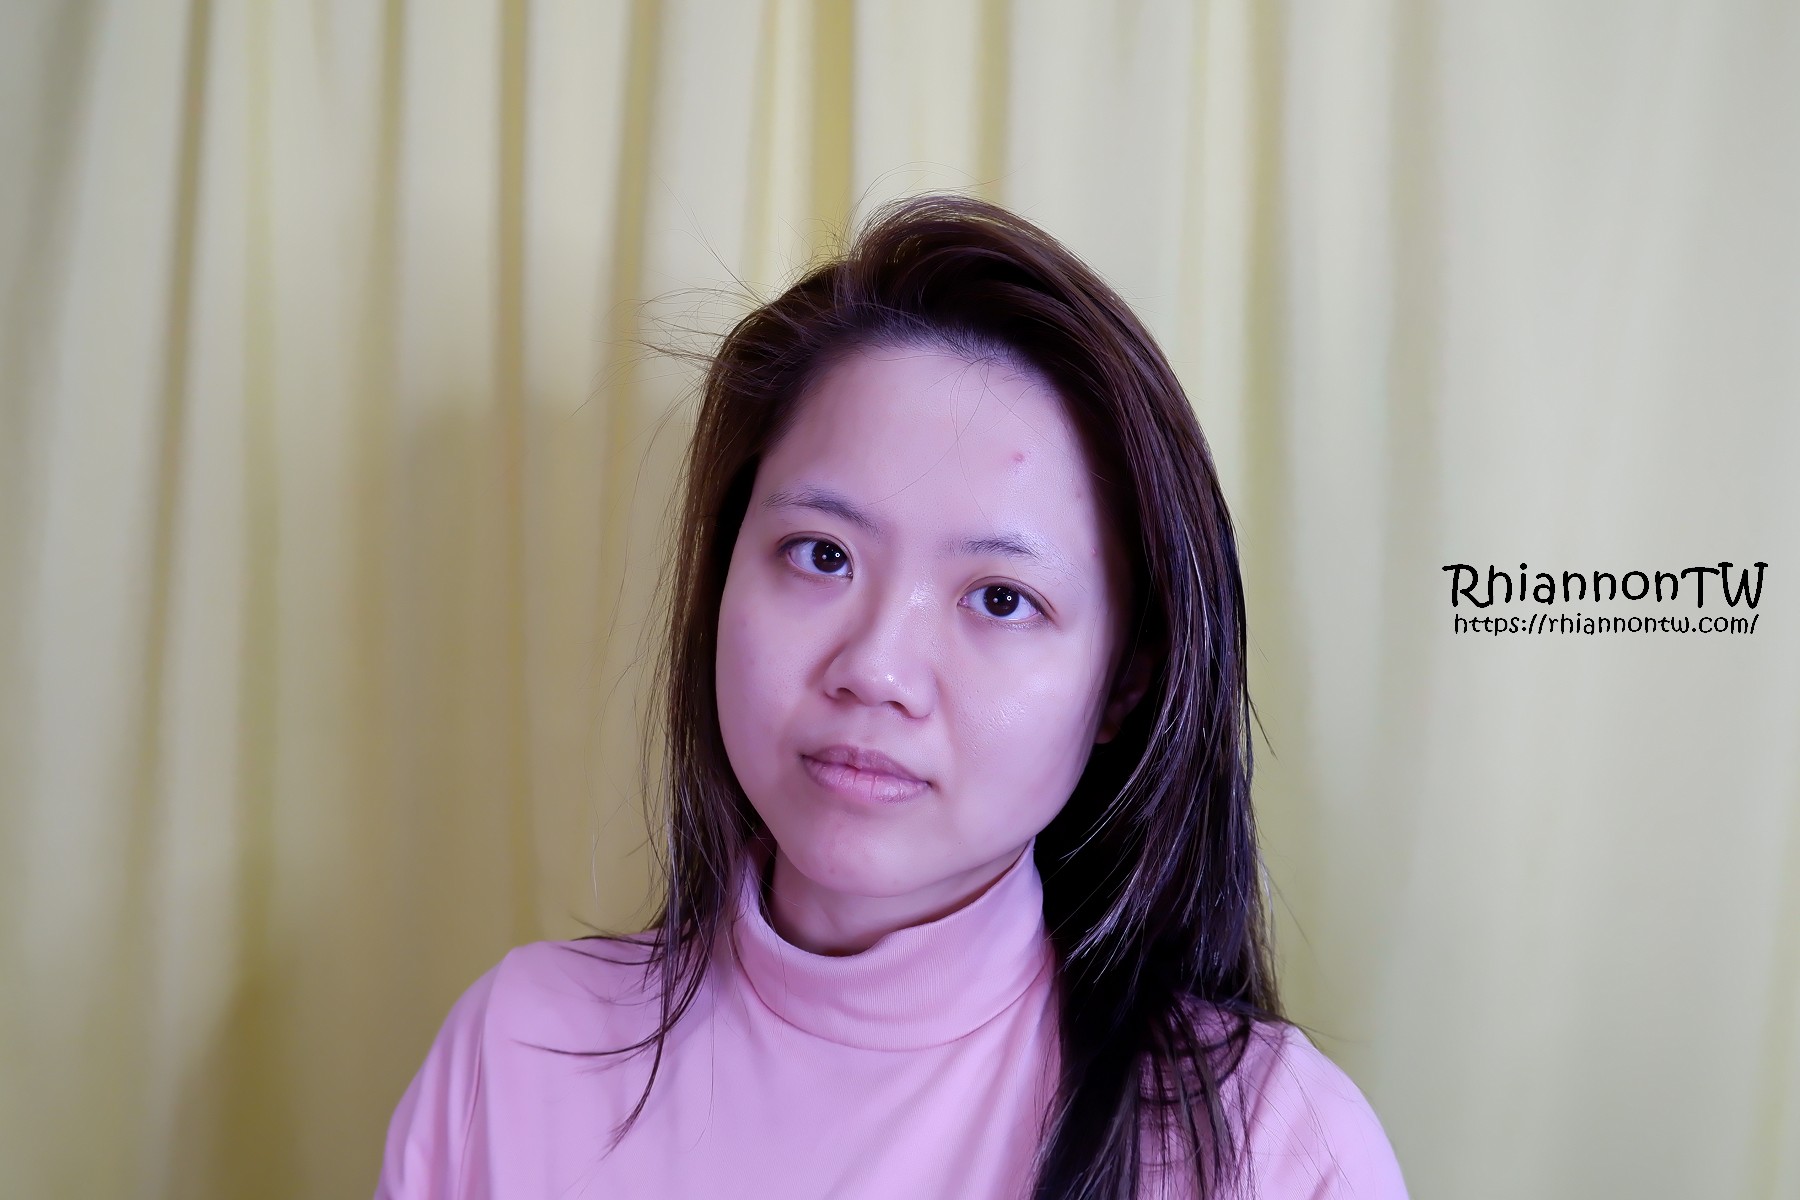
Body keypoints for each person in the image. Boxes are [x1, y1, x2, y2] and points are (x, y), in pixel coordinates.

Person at [375, 193, 1408, 1199]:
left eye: (1001, 599)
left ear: (1123, 686)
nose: (875, 668)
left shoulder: (1270, 1148)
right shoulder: (516, 1055)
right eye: (821, 554)